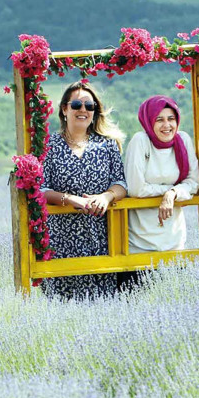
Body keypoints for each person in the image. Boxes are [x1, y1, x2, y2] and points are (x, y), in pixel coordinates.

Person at [40, 81, 128, 300]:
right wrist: (68, 199)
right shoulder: (48, 146)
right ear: (64, 109)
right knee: (61, 303)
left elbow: (121, 183)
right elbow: (41, 189)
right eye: (77, 104)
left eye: (89, 106)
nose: (83, 110)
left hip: (101, 238)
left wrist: (106, 196)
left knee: (103, 303)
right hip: (62, 240)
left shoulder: (107, 145)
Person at [122, 95, 199, 288]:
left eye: (171, 119)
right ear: (148, 121)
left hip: (174, 240)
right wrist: (170, 190)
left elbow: (193, 182)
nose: (167, 125)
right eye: (159, 119)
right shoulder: (140, 141)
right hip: (140, 242)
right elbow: (136, 188)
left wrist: (172, 194)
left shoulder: (182, 140)